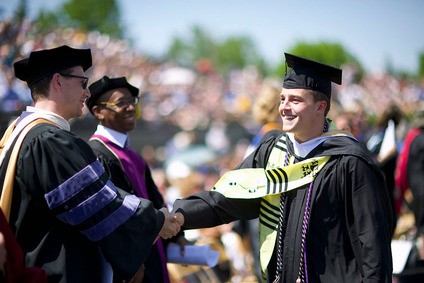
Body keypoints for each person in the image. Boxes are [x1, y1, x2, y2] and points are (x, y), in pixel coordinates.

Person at [171, 53, 393, 282]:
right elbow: (227, 198)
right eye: (282, 99)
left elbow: (372, 247)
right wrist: (178, 215)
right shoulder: (273, 152)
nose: (284, 108)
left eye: (295, 100)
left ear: (320, 106)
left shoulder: (349, 163)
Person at [0, 45, 180, 282]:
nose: (86, 93)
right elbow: (99, 205)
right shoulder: (49, 140)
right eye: (83, 83)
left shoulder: (18, 132)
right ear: (58, 82)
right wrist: (156, 221)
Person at [85, 75, 188, 283]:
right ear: (98, 112)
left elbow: (156, 200)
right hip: (131, 265)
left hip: (152, 253)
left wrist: (177, 236)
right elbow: (109, 217)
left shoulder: (132, 155)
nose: (131, 108)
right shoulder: (97, 154)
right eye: (121, 103)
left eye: (132, 102)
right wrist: (125, 264)